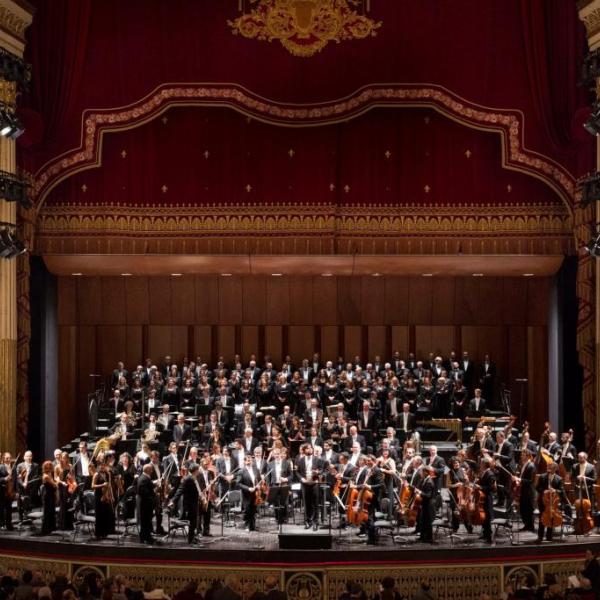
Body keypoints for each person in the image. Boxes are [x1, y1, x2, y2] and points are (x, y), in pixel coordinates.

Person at [536, 461, 564, 542]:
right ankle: (540, 537)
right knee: (542, 518)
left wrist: (555, 490)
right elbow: (537, 488)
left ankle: (549, 537)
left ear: (555, 469)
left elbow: (561, 491)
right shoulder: (542, 476)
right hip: (543, 501)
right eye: (548, 467)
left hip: (553, 502)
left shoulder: (559, 479)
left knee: (551, 518)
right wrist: (544, 491)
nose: (548, 468)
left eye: (550, 467)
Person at [297, 444, 322, 530]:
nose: (309, 450)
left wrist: (318, 472)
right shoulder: (300, 460)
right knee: (307, 504)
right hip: (305, 484)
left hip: (314, 483)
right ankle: (308, 521)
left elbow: (322, 469)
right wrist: (301, 479)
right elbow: (297, 472)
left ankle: (316, 522)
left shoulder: (317, 459)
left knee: (315, 503)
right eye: (307, 448)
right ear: (304, 451)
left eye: (310, 448)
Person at [513, 449, 536, 532]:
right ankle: (527, 525)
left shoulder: (531, 466)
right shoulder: (525, 464)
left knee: (528, 510)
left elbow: (530, 481)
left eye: (523, 455)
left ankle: (531, 527)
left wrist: (519, 479)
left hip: (529, 491)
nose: (521, 456)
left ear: (528, 456)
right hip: (523, 490)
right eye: (521, 455)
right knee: (523, 509)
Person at [91, 461, 115, 539]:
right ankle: (98, 533)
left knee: (105, 514)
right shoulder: (96, 474)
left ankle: (104, 533)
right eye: (101, 466)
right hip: (98, 496)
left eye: (104, 465)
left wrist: (111, 496)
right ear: (98, 467)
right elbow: (93, 486)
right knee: (99, 515)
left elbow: (109, 485)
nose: (102, 467)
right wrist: (102, 485)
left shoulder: (107, 474)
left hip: (106, 496)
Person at [237, 455, 261, 531]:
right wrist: (248, 488)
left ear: (252, 461)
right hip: (246, 494)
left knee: (254, 509)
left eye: (250, 460)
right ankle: (247, 526)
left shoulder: (256, 470)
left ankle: (252, 526)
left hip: (255, 493)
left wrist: (259, 485)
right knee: (247, 510)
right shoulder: (241, 471)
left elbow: (259, 480)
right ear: (244, 461)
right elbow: (238, 483)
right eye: (247, 460)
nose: (248, 462)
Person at [136, 464, 156, 544]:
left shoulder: (145, 477)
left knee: (147, 521)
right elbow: (144, 492)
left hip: (146, 504)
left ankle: (146, 537)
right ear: (147, 470)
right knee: (145, 521)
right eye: (151, 469)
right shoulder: (144, 478)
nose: (152, 470)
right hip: (145, 504)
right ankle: (146, 538)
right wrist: (154, 492)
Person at [40, 461, 57, 535]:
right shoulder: (46, 476)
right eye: (48, 467)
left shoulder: (50, 474)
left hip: (51, 494)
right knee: (46, 512)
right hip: (47, 495)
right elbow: (54, 485)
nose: (49, 468)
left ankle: (50, 528)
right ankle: (45, 530)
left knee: (51, 511)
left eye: (50, 466)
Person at [0, 453, 14, 531]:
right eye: (6, 458)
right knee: (2, 508)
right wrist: (5, 479)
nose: (8, 460)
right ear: (3, 459)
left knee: (9, 508)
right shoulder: (1, 467)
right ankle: (2, 523)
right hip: (2, 491)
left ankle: (9, 524)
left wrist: (16, 490)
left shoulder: (13, 467)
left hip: (10, 490)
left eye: (9, 458)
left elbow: (14, 480)